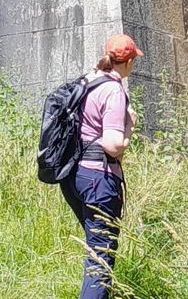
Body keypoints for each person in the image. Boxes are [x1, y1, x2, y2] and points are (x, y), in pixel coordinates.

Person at [62, 34, 139, 299]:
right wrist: (130, 127)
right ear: (128, 63)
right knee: (100, 258)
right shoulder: (113, 90)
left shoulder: (88, 81)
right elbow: (113, 145)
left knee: (97, 249)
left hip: (74, 177)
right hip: (99, 180)